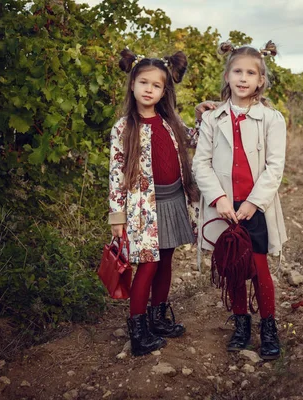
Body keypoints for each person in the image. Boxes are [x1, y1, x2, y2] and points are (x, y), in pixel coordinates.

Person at [192, 40, 288, 360]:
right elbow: (200, 164)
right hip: (225, 208)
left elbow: (275, 167)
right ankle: (242, 324)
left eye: (250, 72)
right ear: (227, 75)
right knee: (233, 266)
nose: (243, 78)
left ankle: (269, 326)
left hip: (253, 207)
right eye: (237, 71)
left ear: (261, 80)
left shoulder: (272, 119)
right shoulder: (212, 119)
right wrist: (219, 199)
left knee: (259, 268)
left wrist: (253, 202)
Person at [109, 48, 204, 356]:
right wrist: (117, 217)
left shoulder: (169, 121)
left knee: (165, 262)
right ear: (133, 85)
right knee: (147, 266)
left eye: (156, 85)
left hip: (173, 199)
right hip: (142, 210)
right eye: (143, 82)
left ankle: (157, 318)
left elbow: (194, 139)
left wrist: (204, 117)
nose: (149, 89)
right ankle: (138, 331)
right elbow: (116, 175)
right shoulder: (124, 127)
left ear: (164, 91)